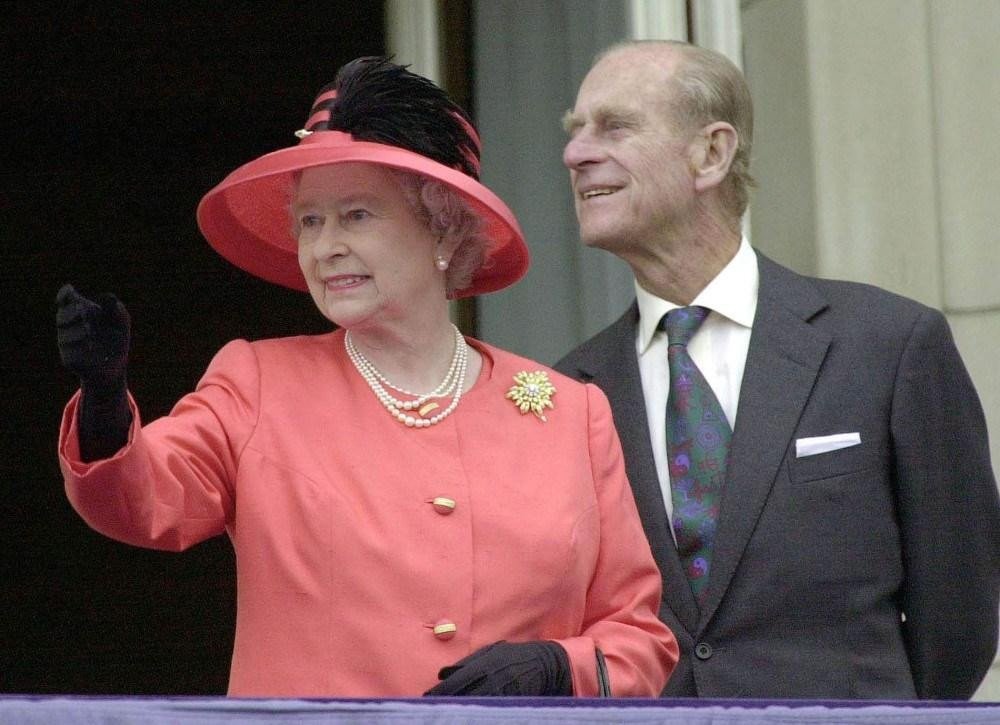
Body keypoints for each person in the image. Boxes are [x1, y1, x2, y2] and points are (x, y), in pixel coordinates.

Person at [55, 56, 677, 698]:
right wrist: (103, 401)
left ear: (443, 230)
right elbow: (144, 503)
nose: (326, 247)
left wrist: (558, 668)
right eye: (310, 221)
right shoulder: (259, 381)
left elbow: (640, 642)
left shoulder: (572, 415)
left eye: (357, 215)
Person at [555, 40, 1000, 699]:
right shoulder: (571, 390)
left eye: (614, 125)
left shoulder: (889, 345)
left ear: (711, 152)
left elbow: (958, 617)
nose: (576, 152)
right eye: (574, 131)